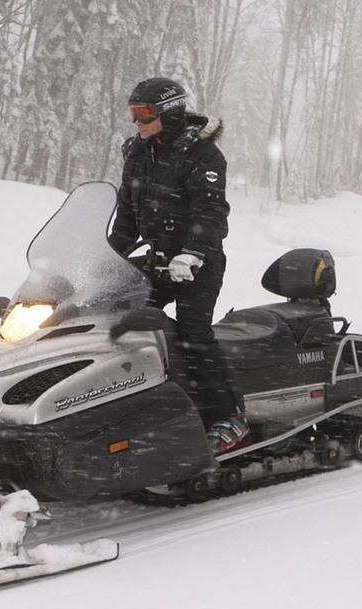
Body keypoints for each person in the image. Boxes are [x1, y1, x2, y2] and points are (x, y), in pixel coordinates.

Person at [108, 77, 248, 454]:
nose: (136, 122)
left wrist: (193, 253)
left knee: (193, 332)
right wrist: (104, 259)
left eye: (144, 114)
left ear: (168, 113)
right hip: (156, 261)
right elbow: (126, 217)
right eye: (133, 114)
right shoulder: (137, 153)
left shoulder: (200, 154)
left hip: (196, 263)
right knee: (115, 320)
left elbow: (211, 211)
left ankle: (229, 416)